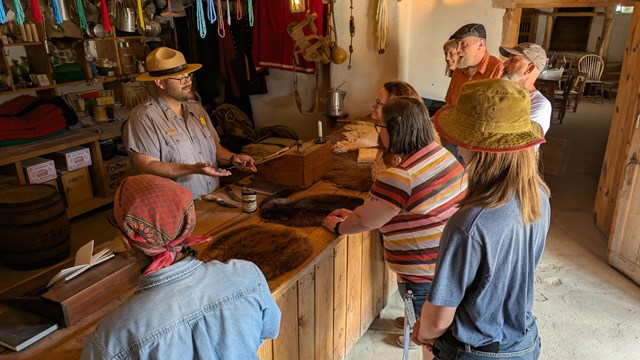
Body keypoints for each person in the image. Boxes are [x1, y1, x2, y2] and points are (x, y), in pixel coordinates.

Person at [411, 79, 550, 360]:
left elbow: (438, 318)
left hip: (477, 351)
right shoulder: (538, 196)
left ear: (471, 145)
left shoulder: (468, 223)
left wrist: (424, 334)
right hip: (523, 342)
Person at [81, 174, 281, 360]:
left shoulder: (111, 336)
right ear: (188, 225)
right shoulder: (246, 275)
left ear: (126, 242)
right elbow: (270, 329)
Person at [323, 97, 467, 350]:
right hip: (444, 260)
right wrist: (359, 212)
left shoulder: (400, 176)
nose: (378, 132)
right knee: (431, 309)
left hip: (420, 272)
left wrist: (337, 226)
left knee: (430, 335)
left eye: (379, 126)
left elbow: (364, 220)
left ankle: (418, 334)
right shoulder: (440, 154)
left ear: (393, 130)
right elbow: (400, 208)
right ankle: (417, 322)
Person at [124, 47, 257, 199]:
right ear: (160, 83)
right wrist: (193, 169)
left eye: (188, 75)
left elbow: (215, 148)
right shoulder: (144, 118)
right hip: (178, 207)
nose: (188, 81)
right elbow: (147, 165)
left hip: (213, 198)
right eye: (180, 78)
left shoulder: (197, 109)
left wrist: (234, 158)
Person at [370, 81, 425, 181]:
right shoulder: (386, 133)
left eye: (379, 102)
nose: (373, 105)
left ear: (395, 110)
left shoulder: (405, 155)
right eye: (376, 100)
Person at [444, 23, 503, 105]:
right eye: (457, 44)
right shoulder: (459, 70)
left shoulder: (498, 70)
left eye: (463, 44)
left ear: (480, 44)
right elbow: (449, 105)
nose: (457, 49)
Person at [500, 42, 552, 135]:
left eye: (513, 60)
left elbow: (518, 144)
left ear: (529, 69)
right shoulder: (499, 93)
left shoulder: (540, 105)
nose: (505, 63)